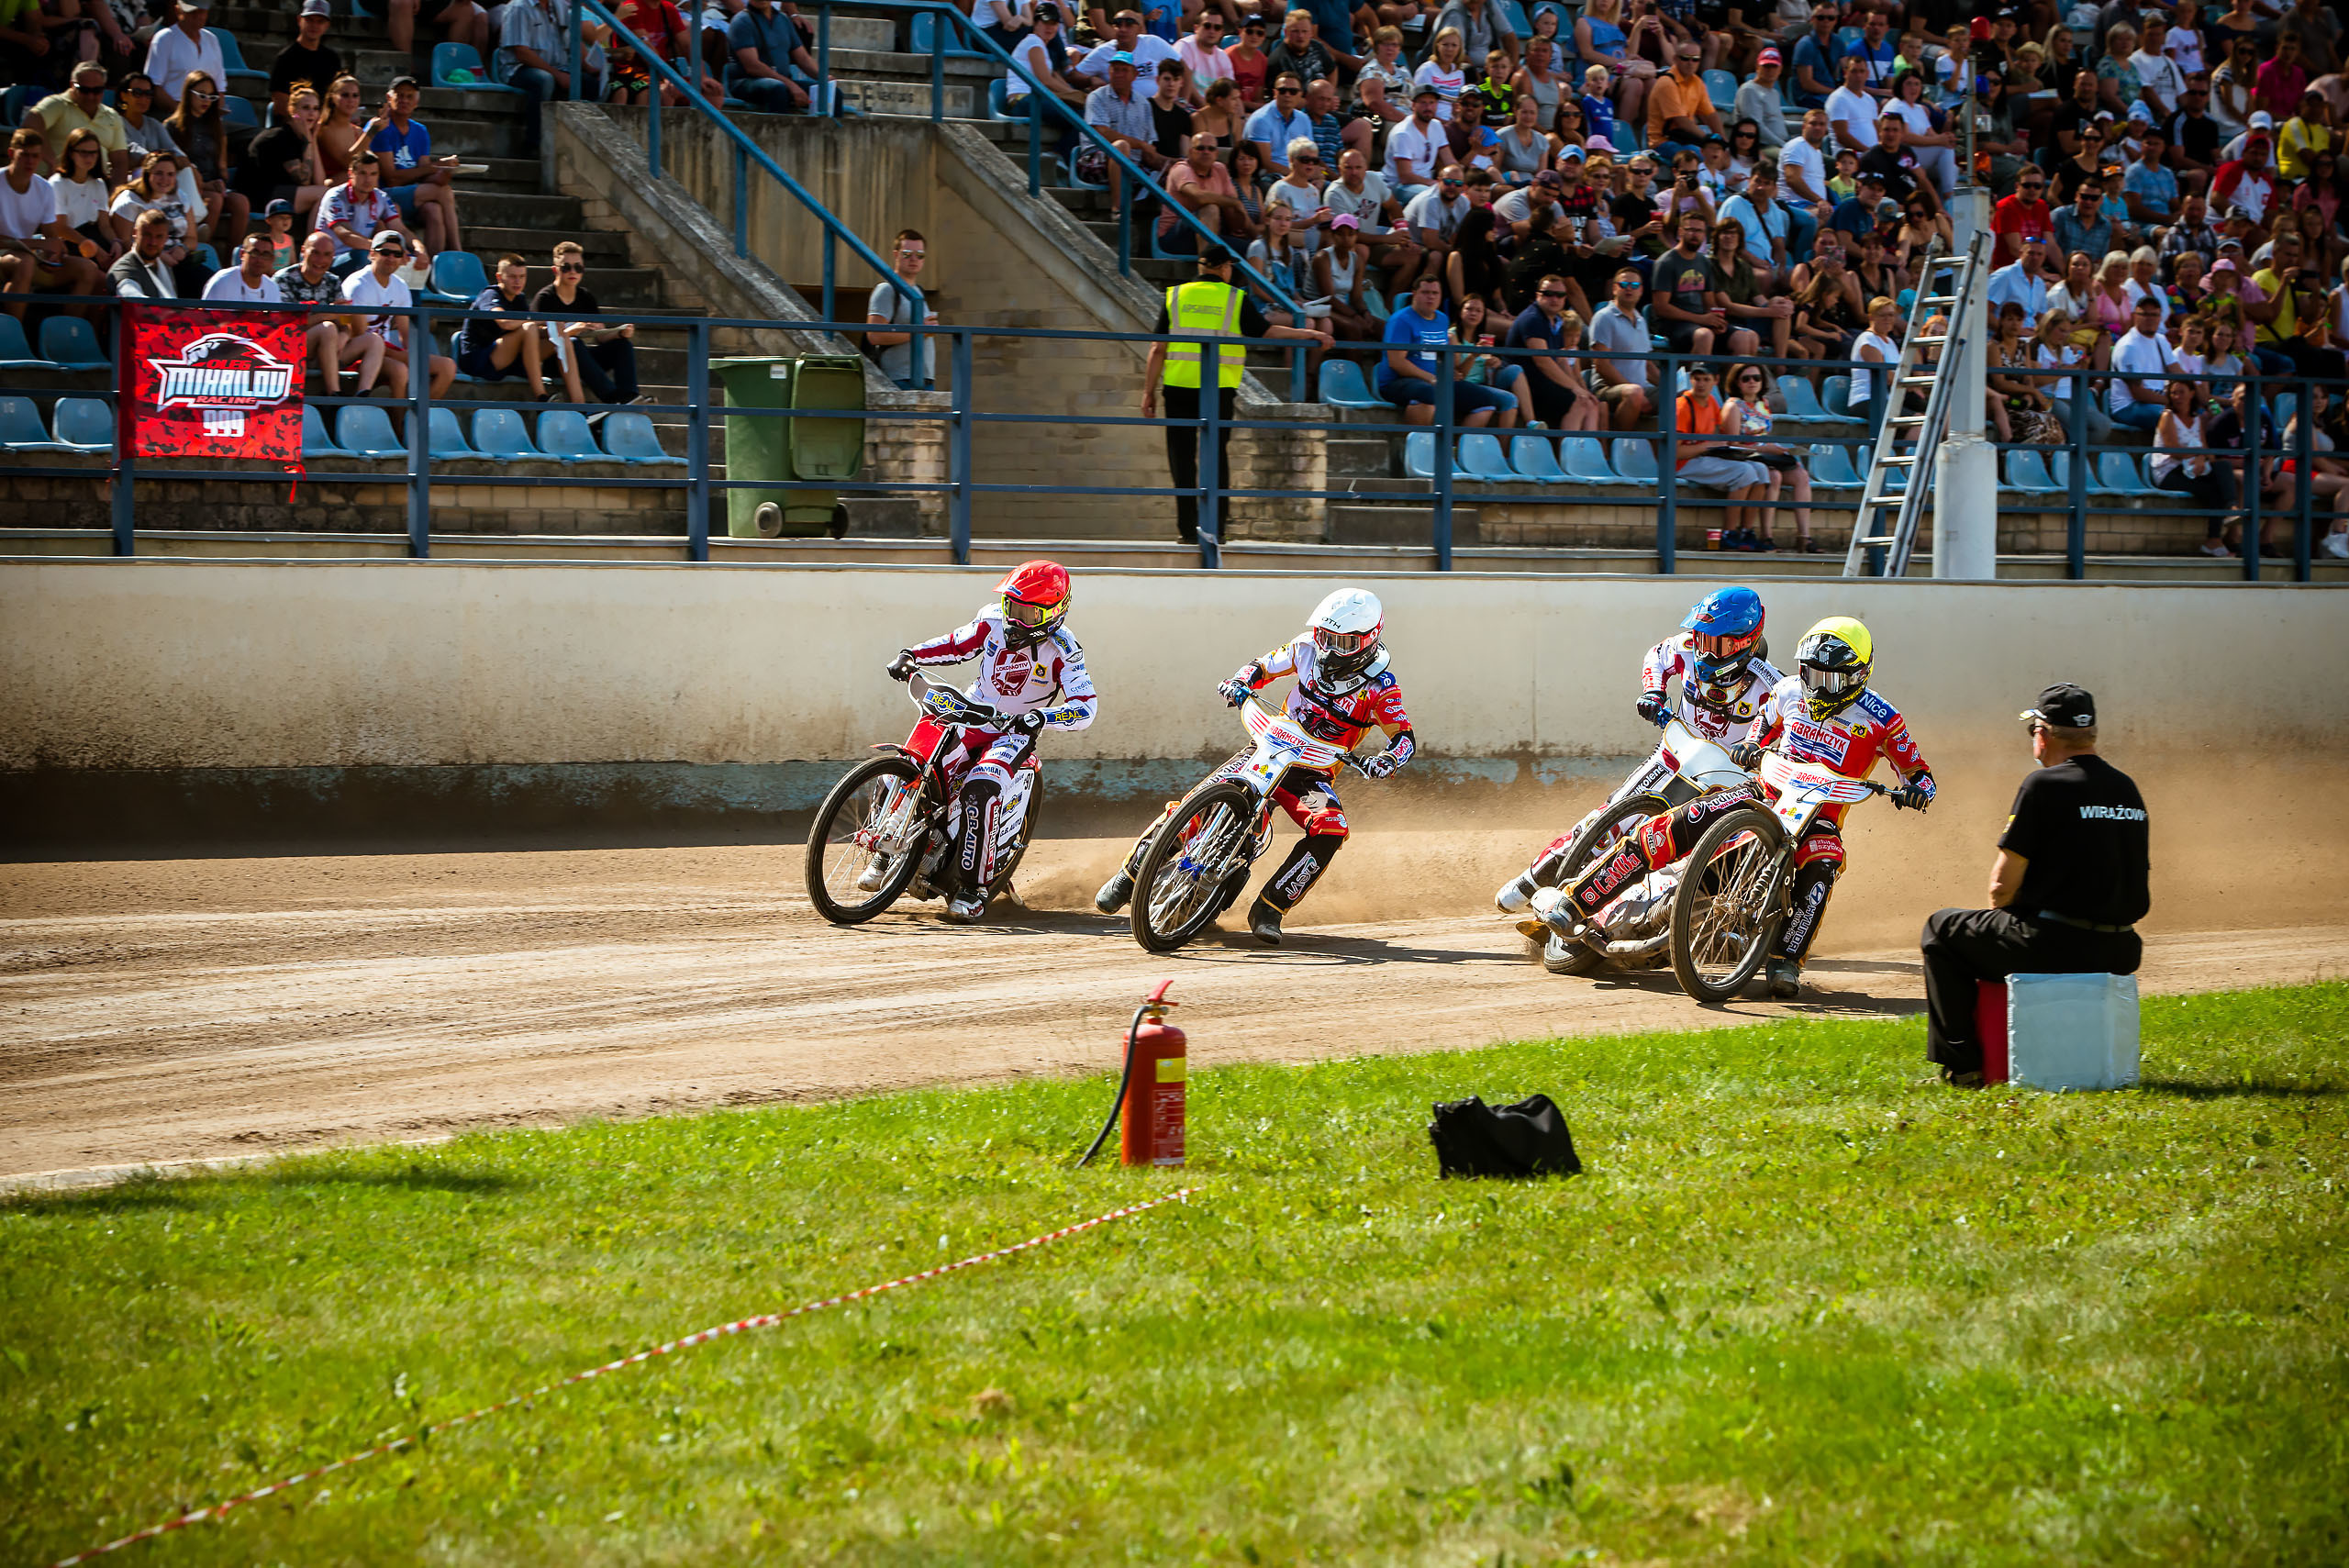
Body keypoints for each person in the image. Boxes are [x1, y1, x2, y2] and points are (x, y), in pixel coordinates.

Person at [1547, 616, 1933, 999]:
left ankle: (1786, 960)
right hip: (1763, 791)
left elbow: (1920, 773)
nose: (1815, 686)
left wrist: (1916, 790)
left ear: (1858, 675)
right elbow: (1763, 724)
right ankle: (1579, 899)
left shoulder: (1884, 719)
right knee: (1683, 821)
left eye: (1827, 679)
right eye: (1809, 673)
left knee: (1824, 861)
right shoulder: (1788, 690)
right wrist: (1751, 745)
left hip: (1819, 816)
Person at [1097, 588, 1415, 947]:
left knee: (1332, 829)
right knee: (1197, 802)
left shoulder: (1381, 688)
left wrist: (1387, 759)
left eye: (1342, 642)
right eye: (1325, 636)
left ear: (1368, 640)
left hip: (1310, 773)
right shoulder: (1305, 647)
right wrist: (1240, 681)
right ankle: (1128, 877)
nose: (1328, 649)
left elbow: (1403, 736)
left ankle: (1270, 908)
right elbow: (1262, 666)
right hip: (1268, 745)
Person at [1494, 586, 1783, 966]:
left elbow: (1792, 730)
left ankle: (1683, 921)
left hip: (1722, 782)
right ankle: (1535, 879)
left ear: (1746, 641)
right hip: (1672, 756)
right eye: (1701, 638)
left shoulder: (1771, 685)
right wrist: (1654, 692)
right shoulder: (1685, 648)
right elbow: (1656, 656)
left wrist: (1762, 752)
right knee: (1609, 818)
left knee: (1693, 854)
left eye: (1717, 643)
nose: (1705, 650)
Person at [1920, 685, 2146, 1087]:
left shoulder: (2043, 785)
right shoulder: (2126, 788)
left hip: (2052, 946)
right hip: (2121, 950)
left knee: (1941, 930)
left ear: (2043, 734)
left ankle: (1964, 1067)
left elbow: (2000, 888)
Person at [874, 562, 1095, 922]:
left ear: (1054, 613)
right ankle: (884, 852)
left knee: (980, 788)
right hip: (972, 711)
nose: (1013, 618)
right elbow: (955, 644)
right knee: (914, 763)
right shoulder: (991, 620)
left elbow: (1085, 708)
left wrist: (1041, 717)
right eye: (1011, 605)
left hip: (1013, 733)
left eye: (1026, 612)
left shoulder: (1064, 650)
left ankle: (973, 889)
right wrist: (911, 654)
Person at [1141, 243, 1329, 544]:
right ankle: (1216, 528)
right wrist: (1310, 334)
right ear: (1225, 268)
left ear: (1202, 266)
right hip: (1218, 389)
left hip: (1178, 388)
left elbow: (1157, 348)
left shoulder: (1175, 295)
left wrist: (1148, 392)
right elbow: (1268, 332)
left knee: (1182, 459)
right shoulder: (1234, 298)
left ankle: (1187, 530)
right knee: (1216, 457)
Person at [1376, 272, 1516, 427]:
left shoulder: (1442, 319)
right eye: (1425, 292)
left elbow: (1440, 355)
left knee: (1486, 400)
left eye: (1435, 293)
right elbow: (1396, 363)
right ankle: (1419, 440)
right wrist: (1431, 378)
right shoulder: (1401, 320)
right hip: (1399, 382)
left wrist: (1450, 370)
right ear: (1414, 294)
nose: (1431, 297)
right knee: (1428, 393)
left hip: (1437, 381)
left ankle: (1458, 442)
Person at [0, 128, 103, 317]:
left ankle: (67, 330)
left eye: (35, 156)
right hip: (12, 258)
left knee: (89, 269)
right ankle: (13, 331)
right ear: (11, 154)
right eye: (25, 155)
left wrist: (52, 254)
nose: (30, 161)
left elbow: (51, 236)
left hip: (28, 256)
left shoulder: (44, 188)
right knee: (25, 263)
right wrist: (38, 244)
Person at [344, 228, 454, 400]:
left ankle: (416, 415)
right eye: (385, 252)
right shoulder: (357, 285)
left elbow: (406, 334)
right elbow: (357, 335)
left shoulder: (400, 286)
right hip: (358, 353)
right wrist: (402, 357)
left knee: (447, 366)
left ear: (403, 258)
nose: (391, 258)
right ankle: (399, 418)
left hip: (387, 351)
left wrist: (410, 355)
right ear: (372, 254)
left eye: (396, 254)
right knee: (399, 370)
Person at [363, 77, 463, 261]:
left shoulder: (420, 131)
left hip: (413, 194)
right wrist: (435, 167)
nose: (404, 100)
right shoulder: (381, 127)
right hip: (385, 194)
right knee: (444, 192)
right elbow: (391, 178)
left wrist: (442, 173)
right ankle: (458, 252)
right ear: (389, 98)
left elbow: (424, 172)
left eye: (410, 96)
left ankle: (432, 266)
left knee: (434, 209)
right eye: (400, 95)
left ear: (417, 102)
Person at [277, 227, 385, 394]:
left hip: (330, 348)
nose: (321, 260)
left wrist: (345, 334)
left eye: (327, 255)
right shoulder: (283, 279)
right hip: (292, 348)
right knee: (327, 329)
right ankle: (334, 393)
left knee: (374, 340)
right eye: (315, 253)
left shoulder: (333, 281)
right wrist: (329, 314)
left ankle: (362, 394)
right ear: (303, 251)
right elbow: (286, 326)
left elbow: (345, 320)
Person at [1672, 361, 1771, 541]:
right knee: (1745, 472)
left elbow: (1719, 435)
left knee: (1761, 470)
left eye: (1706, 379)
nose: (1701, 384)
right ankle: (1728, 534)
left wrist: (1746, 435)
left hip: (1705, 457)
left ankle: (1746, 532)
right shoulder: (1682, 406)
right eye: (1697, 379)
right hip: (1683, 463)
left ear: (1716, 380)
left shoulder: (1711, 402)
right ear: (1690, 380)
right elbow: (1674, 453)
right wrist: (1708, 446)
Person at [535, 238, 640, 405]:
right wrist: (570, 331)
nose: (573, 272)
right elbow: (534, 335)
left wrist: (620, 333)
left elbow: (601, 336)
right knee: (574, 342)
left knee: (622, 345)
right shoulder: (545, 298)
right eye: (566, 267)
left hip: (581, 358)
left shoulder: (586, 297)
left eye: (578, 267)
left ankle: (629, 396)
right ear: (555, 270)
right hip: (555, 361)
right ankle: (612, 398)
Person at [1720, 362, 1812, 550]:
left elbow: (1763, 437)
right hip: (1745, 458)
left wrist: (1777, 450)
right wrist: (1766, 449)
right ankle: (1766, 536)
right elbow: (1732, 445)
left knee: (1801, 475)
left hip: (1764, 456)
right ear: (1737, 382)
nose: (1752, 382)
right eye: (1746, 378)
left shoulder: (1764, 404)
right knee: (1774, 476)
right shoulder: (1733, 406)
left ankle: (1805, 537)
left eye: (1757, 378)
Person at [457, 251, 551, 398]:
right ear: (499, 277)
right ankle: (542, 397)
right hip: (478, 360)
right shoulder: (490, 294)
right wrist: (537, 320)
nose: (518, 282)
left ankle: (578, 403)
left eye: (522, 277)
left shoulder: (519, 298)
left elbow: (532, 332)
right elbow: (505, 323)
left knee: (561, 339)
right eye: (512, 276)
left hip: (505, 357)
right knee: (529, 326)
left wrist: (559, 328)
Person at [27, 60, 131, 185]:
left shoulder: (112, 116)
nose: (90, 96)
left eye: (97, 91)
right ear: (72, 85)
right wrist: (51, 161)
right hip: (53, 182)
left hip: (95, 185)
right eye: (84, 90)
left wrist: (115, 192)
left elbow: (120, 162)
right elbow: (30, 125)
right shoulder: (57, 104)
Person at [313, 153, 420, 275]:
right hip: (329, 259)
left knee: (407, 260)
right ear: (351, 173)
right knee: (368, 256)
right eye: (363, 173)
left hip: (363, 253)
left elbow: (402, 230)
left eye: (373, 174)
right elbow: (346, 235)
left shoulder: (381, 197)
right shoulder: (335, 197)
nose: (368, 180)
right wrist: (385, 249)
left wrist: (419, 249)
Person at [864, 228, 937, 392]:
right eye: (907, 254)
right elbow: (874, 335)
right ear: (896, 255)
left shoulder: (918, 291)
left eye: (920, 255)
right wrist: (919, 332)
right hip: (899, 380)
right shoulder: (887, 290)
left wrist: (925, 330)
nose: (914, 259)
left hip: (925, 379)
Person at [1585, 266, 1653, 428]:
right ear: (1614, 288)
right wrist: (1633, 389)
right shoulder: (1604, 317)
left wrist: (1671, 385)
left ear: (1641, 290)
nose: (1629, 289)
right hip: (1607, 388)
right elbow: (1601, 365)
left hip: (1641, 387)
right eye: (1624, 284)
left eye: (1634, 285)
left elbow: (1648, 365)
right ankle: (1620, 440)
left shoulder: (1641, 320)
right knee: (1634, 393)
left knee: (1680, 396)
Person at [720, 0, 810, 113]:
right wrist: (791, 85)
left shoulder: (783, 19)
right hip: (746, 82)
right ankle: (777, 124)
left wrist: (824, 78)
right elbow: (753, 67)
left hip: (782, 81)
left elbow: (804, 58)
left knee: (824, 90)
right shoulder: (742, 21)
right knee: (777, 88)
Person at [2108, 294, 2176, 430]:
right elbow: (2138, 393)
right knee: (2170, 417)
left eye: (2154, 315)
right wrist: (2174, 401)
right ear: (2135, 316)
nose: (2149, 319)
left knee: (2197, 414)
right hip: (2128, 406)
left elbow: (2177, 371)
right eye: (2145, 314)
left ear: (2160, 317)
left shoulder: (2161, 340)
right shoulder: (2128, 346)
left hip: (2157, 401)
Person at [141, 0, 223, 117]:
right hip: (172, 115)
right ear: (178, 11)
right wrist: (182, 114)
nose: (197, 16)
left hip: (207, 116)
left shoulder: (212, 40)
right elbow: (155, 86)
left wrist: (213, 117)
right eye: (192, 12)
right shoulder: (164, 38)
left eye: (201, 12)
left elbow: (220, 88)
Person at [270, 0, 343, 121]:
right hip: (293, 125)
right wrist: (302, 125)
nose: (314, 25)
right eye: (310, 20)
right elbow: (281, 105)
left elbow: (336, 98)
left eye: (320, 21)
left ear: (327, 25)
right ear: (299, 20)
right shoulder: (286, 58)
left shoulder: (332, 59)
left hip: (323, 124)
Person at [107, 207, 183, 301]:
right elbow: (133, 299)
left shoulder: (164, 267)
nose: (153, 242)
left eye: (159, 236)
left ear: (166, 238)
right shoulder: (124, 269)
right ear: (135, 233)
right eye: (147, 235)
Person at [201, 229, 282, 302]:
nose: (259, 260)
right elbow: (208, 313)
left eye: (265, 255)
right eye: (254, 253)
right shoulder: (222, 281)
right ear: (242, 254)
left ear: (272, 259)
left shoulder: (272, 288)